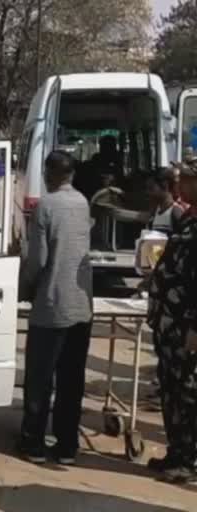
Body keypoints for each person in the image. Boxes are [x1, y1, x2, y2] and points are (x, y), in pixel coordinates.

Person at [19, 150, 93, 465]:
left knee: (39, 378)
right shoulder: (82, 202)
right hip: (81, 305)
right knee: (71, 379)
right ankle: (66, 446)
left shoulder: (46, 206)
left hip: (51, 306)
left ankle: (33, 442)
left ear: (50, 174)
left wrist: (25, 287)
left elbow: (38, 259)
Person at [145, 159, 197, 483]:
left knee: (188, 392)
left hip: (185, 327)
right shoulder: (189, 218)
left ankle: (189, 459)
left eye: (189, 179)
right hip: (169, 324)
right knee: (171, 390)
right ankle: (175, 452)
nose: (181, 185)